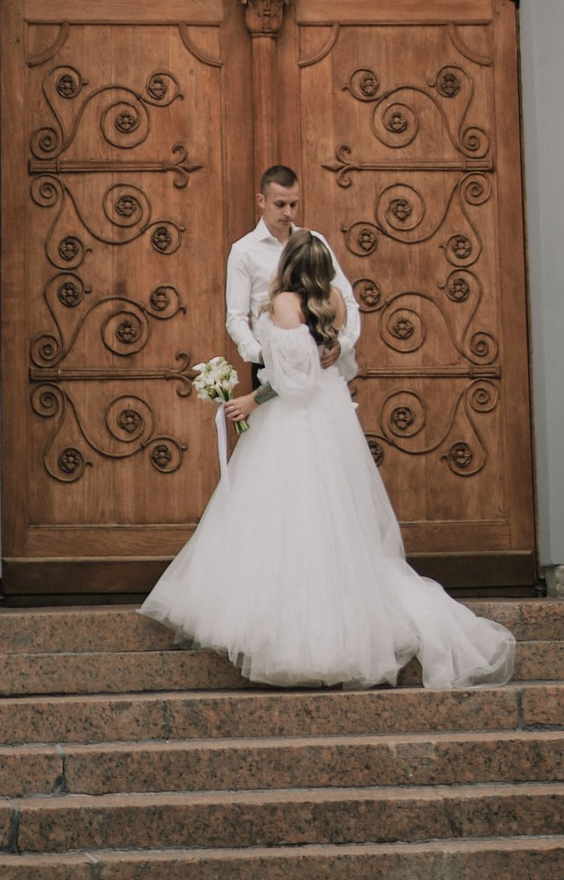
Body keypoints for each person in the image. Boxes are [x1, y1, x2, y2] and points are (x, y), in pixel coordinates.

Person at [146, 229, 516, 691]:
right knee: (333, 520)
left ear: (289, 267)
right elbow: (328, 362)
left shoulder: (284, 303)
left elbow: (293, 378)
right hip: (331, 416)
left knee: (289, 521)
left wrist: (250, 401)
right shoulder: (337, 301)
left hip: (296, 420)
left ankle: (293, 637)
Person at [225, 162, 360, 390]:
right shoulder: (243, 251)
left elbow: (345, 298)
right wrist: (259, 354)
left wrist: (343, 344)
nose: (288, 212)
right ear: (262, 201)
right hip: (270, 366)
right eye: (280, 204)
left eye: (293, 204)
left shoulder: (313, 242)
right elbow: (236, 317)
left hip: (320, 364)